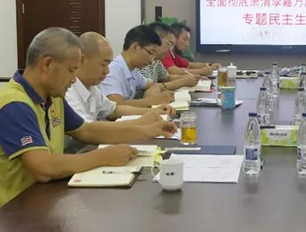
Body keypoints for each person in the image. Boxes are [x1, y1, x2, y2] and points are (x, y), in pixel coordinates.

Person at [0, 28, 177, 208]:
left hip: (44, 198)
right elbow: (43, 167)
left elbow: (86, 130)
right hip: (15, 209)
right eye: (71, 70)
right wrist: (103, 156)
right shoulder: (15, 104)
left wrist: (144, 131)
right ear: (47, 64)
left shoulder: (52, 97)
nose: (73, 79)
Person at [66, 32, 176, 122]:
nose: (107, 71)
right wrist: (140, 123)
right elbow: (87, 130)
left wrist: (154, 112)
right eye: (103, 64)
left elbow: (114, 110)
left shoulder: (92, 88)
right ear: (82, 60)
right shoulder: (68, 92)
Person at [99, 25, 174, 107]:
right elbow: (116, 106)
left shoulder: (132, 70)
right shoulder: (113, 70)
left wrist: (151, 96)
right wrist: (151, 101)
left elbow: (152, 85)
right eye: (150, 53)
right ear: (135, 47)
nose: (151, 60)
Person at [136, 22, 204, 99]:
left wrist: (190, 78)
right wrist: (182, 81)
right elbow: (150, 92)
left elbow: (167, 78)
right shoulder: (141, 63)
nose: (170, 50)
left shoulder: (156, 61)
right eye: (169, 44)